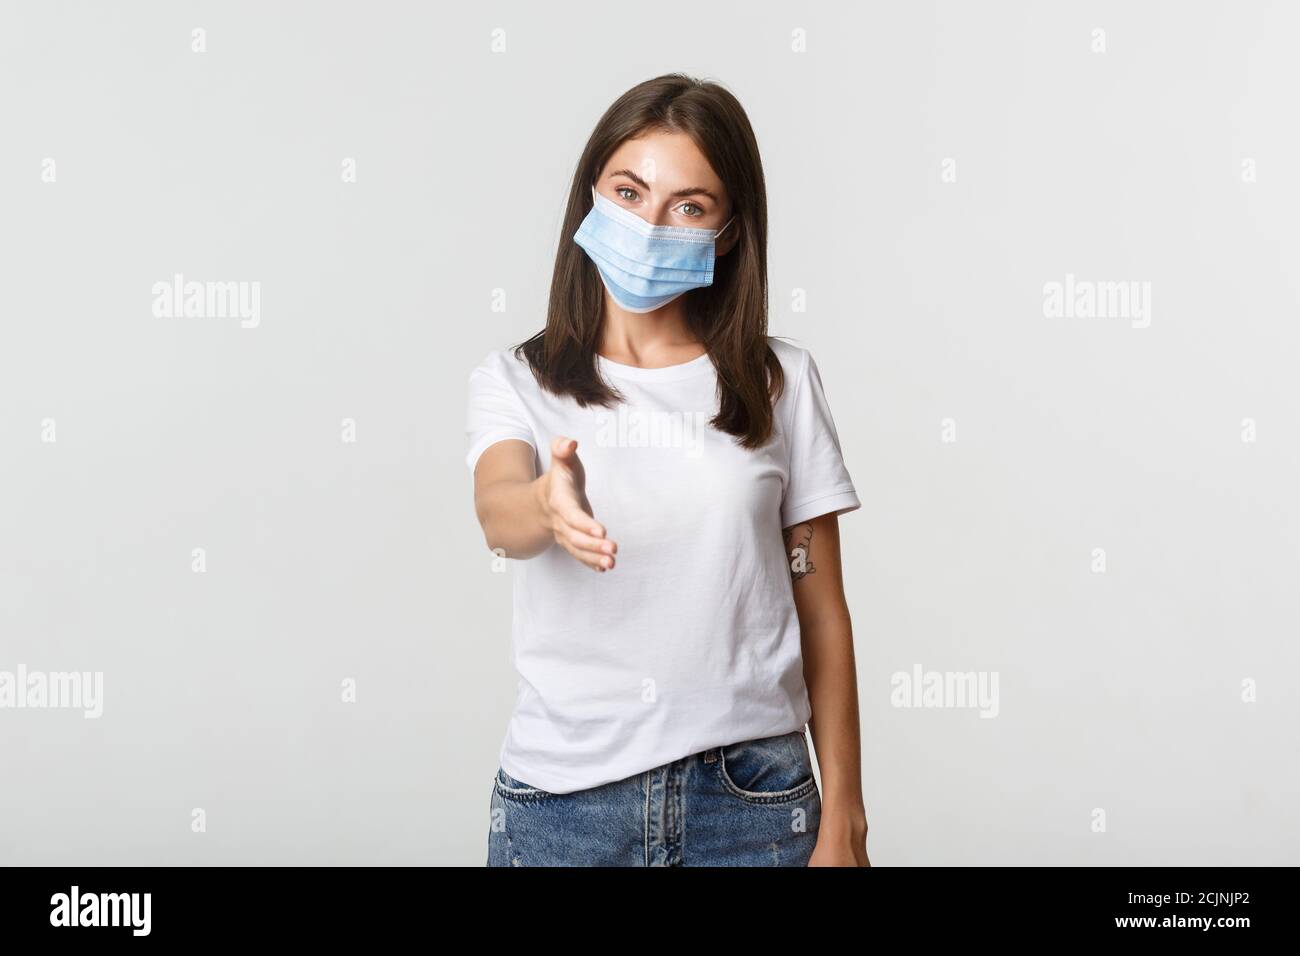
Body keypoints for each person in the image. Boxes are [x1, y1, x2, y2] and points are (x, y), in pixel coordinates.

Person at [466, 73, 869, 866]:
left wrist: (845, 819)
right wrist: (548, 506)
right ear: (592, 196)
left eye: (688, 205)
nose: (649, 224)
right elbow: (499, 511)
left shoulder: (778, 381)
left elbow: (821, 608)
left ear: (725, 232)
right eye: (628, 190)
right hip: (564, 810)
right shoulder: (517, 379)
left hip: (754, 802)